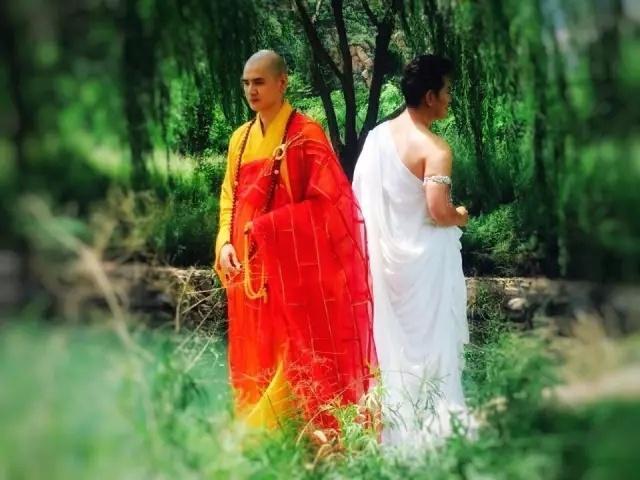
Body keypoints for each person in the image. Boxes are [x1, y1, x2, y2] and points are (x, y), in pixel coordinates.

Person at [214, 50, 376, 432]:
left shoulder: (306, 134)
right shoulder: (239, 139)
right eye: (246, 83)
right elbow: (229, 200)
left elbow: (331, 206)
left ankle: (279, 439)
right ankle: (264, 442)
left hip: (293, 276)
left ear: (282, 82)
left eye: (259, 82)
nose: (251, 91)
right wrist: (224, 243)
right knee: (255, 357)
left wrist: (270, 227)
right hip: (248, 273)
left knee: (296, 360)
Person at [352, 54, 475, 447]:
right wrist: (461, 216)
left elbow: (360, 204)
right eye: (447, 91)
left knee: (392, 347)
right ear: (430, 96)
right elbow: (438, 212)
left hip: (384, 266)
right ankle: (433, 434)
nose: (450, 98)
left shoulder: (376, 138)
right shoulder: (435, 149)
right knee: (432, 347)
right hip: (424, 271)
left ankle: (390, 432)